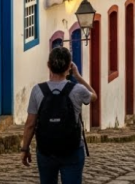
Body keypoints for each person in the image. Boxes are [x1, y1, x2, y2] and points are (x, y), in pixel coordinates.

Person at [22, 47, 97, 184]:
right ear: (69, 66)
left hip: (46, 151)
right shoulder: (78, 90)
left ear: (48, 65)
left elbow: (30, 124)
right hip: (72, 150)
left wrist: (25, 148)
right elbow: (94, 96)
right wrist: (78, 77)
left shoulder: (37, 91)